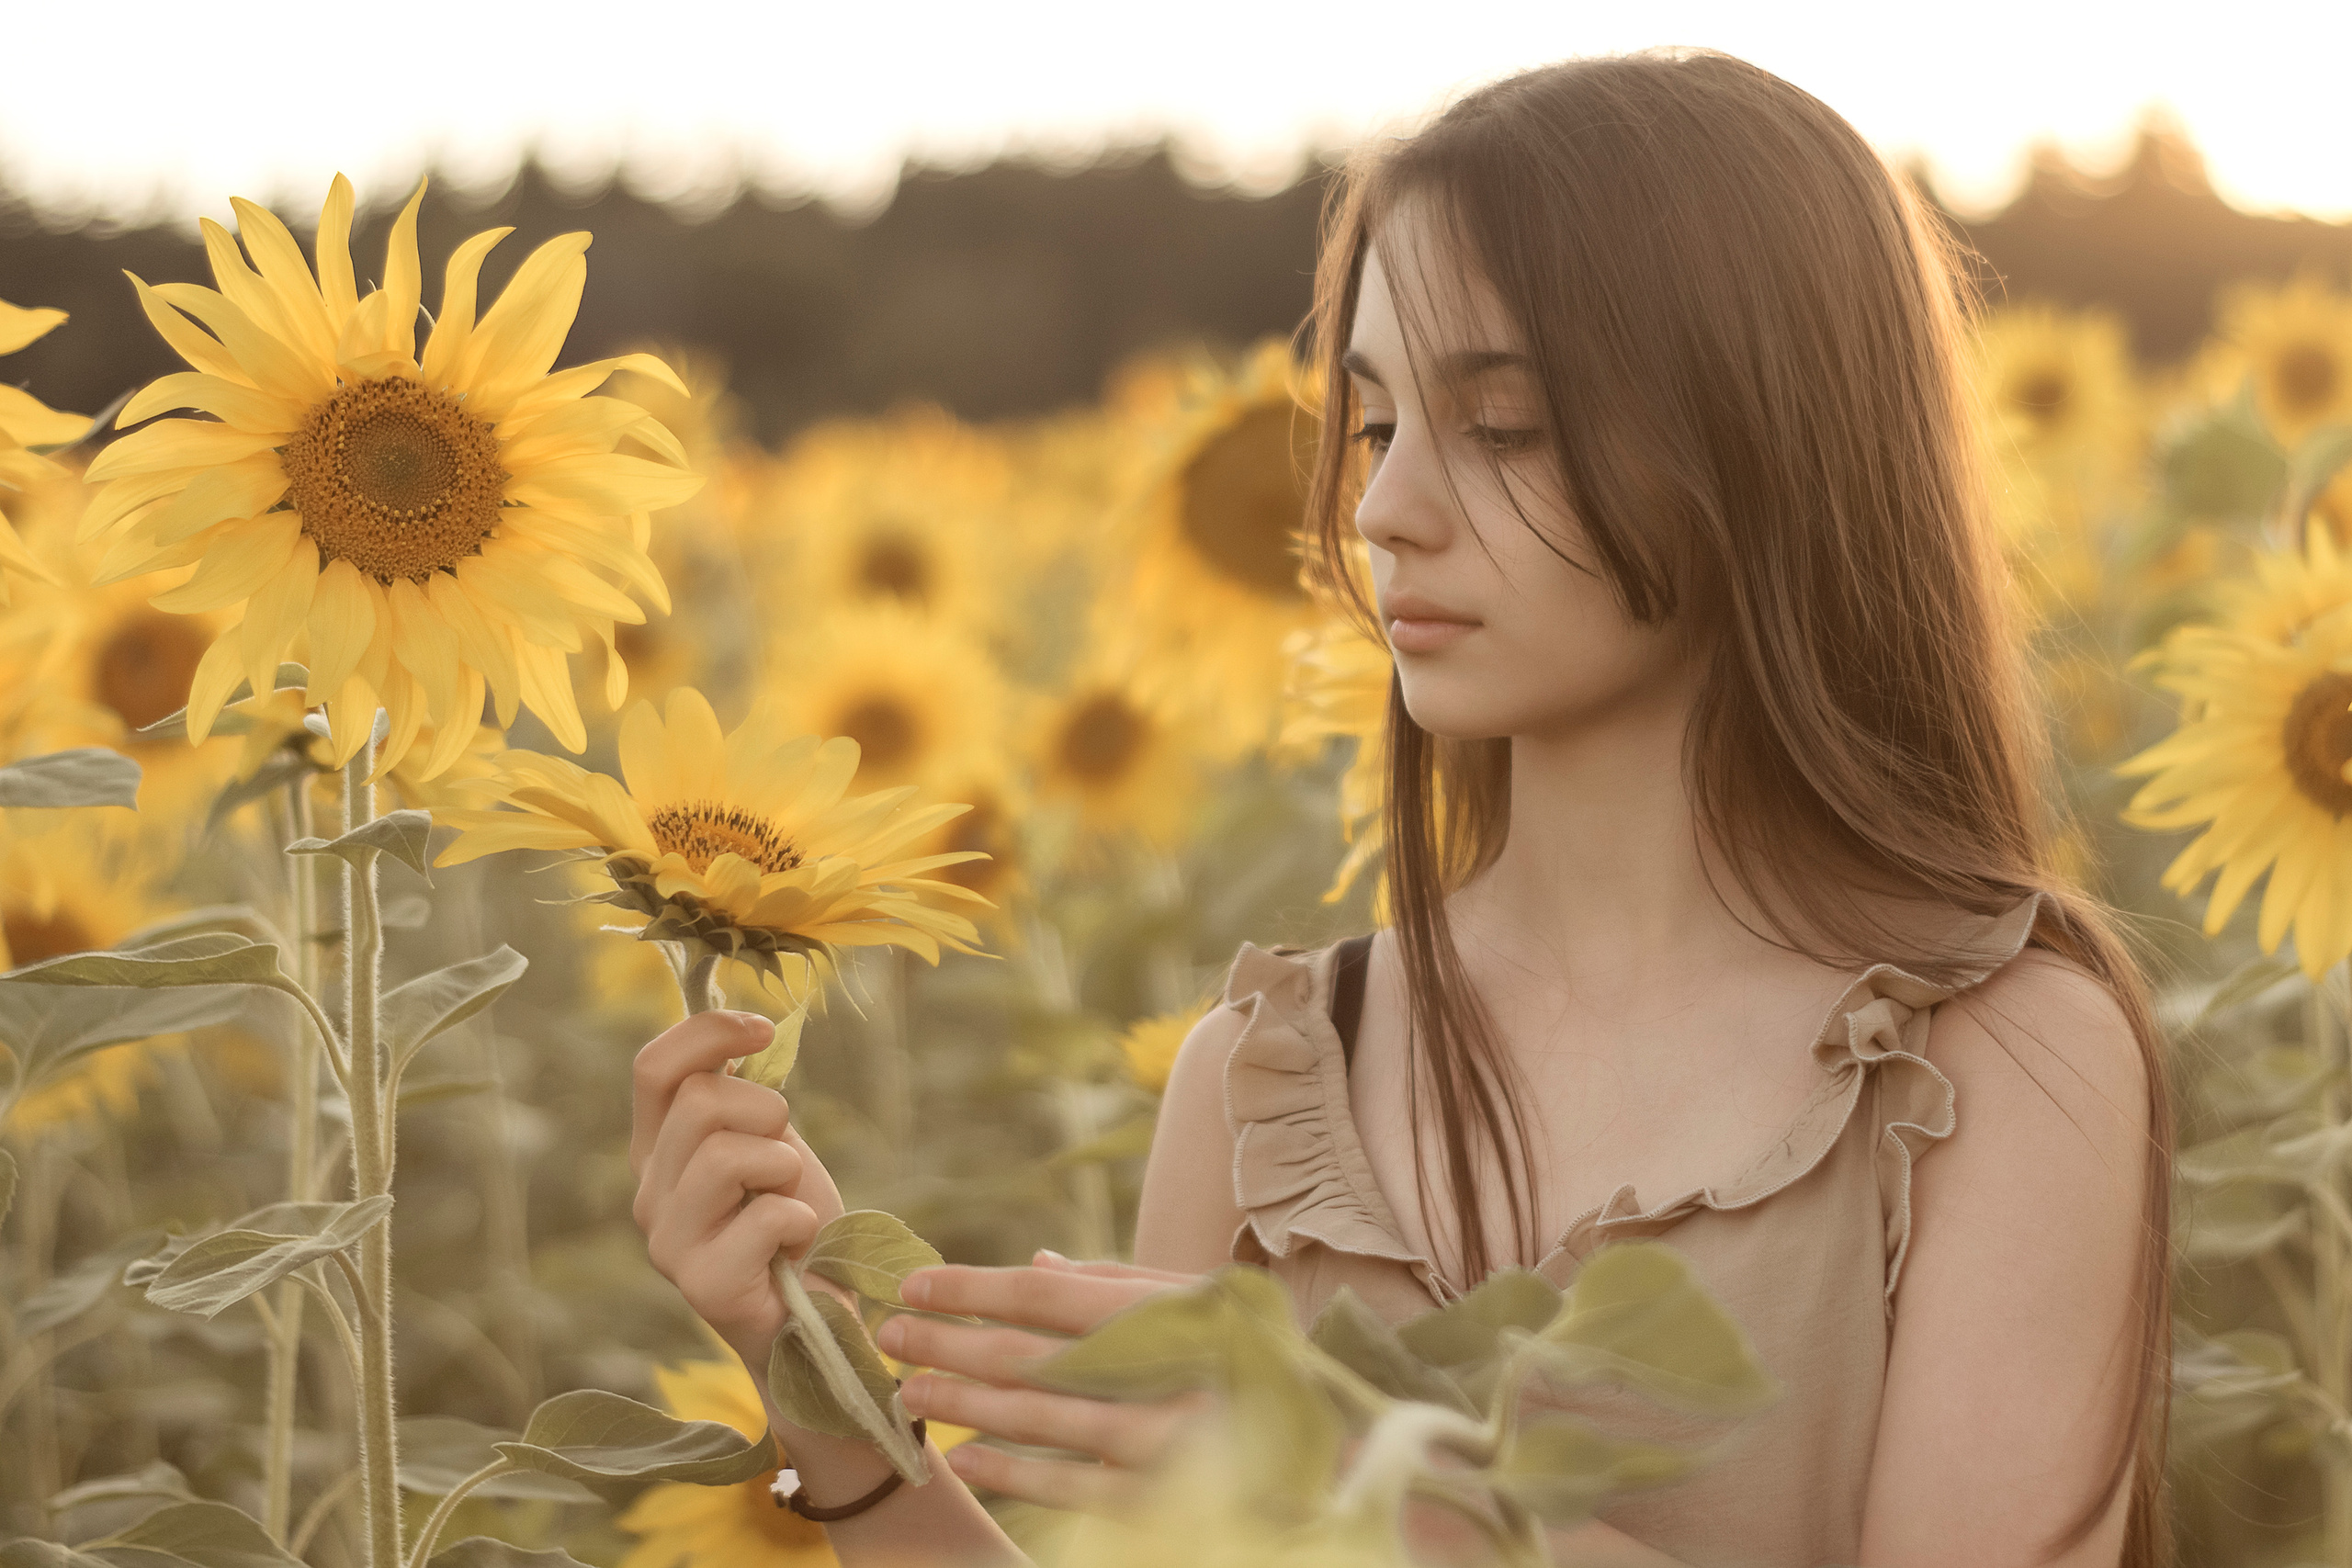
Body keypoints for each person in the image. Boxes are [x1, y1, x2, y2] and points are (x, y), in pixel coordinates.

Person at [628, 47, 2170, 1568]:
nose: (1381, 509)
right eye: (1375, 426)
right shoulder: (1264, 1084)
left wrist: (1348, 1467)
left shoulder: (1995, 1061)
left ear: (1766, 441)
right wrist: (827, 1394)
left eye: (1500, 427)